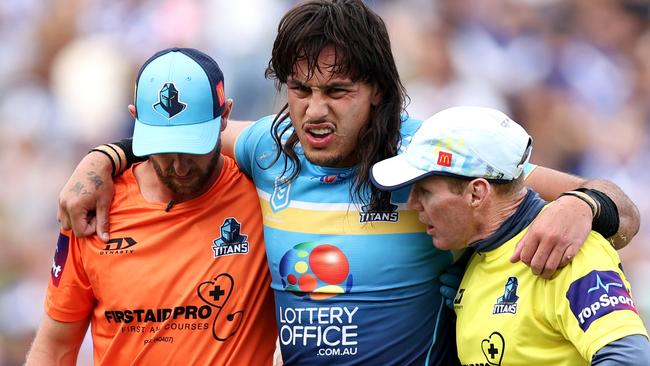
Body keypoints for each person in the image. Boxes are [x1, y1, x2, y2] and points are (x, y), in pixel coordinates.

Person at [56, 1, 640, 365]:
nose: (314, 112)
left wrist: (583, 204)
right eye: (300, 90)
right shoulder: (269, 144)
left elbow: (624, 209)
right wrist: (102, 159)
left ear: (378, 91)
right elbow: (187, 135)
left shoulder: (429, 156)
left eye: (337, 93)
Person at [26, 48, 277, 365]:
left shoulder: (262, 191)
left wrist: (103, 155)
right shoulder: (95, 206)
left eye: (193, 147)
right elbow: (55, 348)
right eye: (163, 148)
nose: (180, 167)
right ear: (134, 119)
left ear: (225, 115)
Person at [370, 106, 650, 365]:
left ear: (477, 194)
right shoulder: (478, 253)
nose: (413, 203)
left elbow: (631, 358)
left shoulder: (564, 247)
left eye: (426, 192)